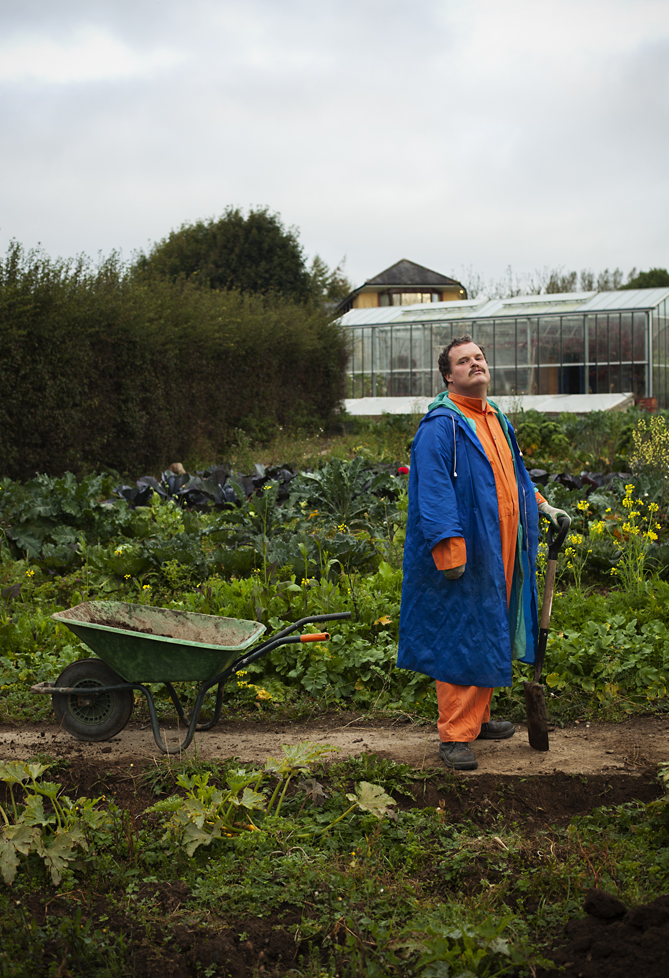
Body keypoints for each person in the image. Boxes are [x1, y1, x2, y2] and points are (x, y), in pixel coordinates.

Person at [397, 335, 569, 770]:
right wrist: (449, 549)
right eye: (464, 361)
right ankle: (454, 734)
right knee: (461, 632)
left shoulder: (495, 418)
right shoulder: (442, 426)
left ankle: (479, 718)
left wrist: (543, 506)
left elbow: (516, 474)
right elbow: (432, 492)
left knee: (490, 625)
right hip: (467, 550)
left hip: (504, 547)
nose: (475, 364)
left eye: (479, 357)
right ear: (448, 375)